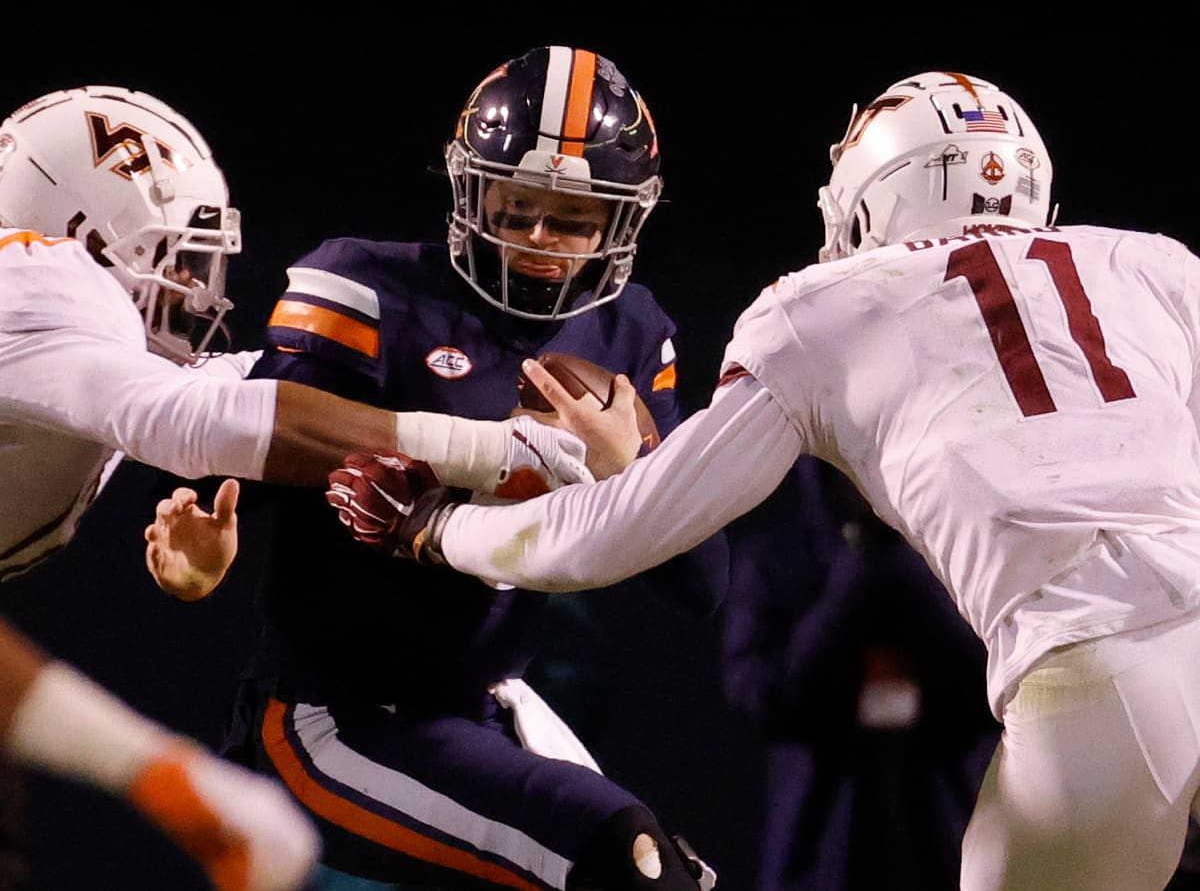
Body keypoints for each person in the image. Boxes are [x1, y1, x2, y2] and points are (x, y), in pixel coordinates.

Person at [329, 69, 1200, 890]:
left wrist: (435, 527)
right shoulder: (1157, 265)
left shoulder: (822, 311)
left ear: (873, 194)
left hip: (1098, 661)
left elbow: (617, 530)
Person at [0, 84, 598, 890]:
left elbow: (234, 386)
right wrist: (489, 447)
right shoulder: (38, 284)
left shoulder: (54, 347)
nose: (200, 289)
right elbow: (192, 416)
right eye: (178, 259)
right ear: (85, 237)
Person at [214, 45, 727, 891]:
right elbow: (246, 452)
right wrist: (203, 552)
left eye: (570, 220)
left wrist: (628, 466)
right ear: (471, 189)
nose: (536, 239)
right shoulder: (366, 291)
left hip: (484, 710)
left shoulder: (628, 334)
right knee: (620, 858)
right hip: (328, 715)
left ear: (621, 222)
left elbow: (705, 581)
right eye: (517, 205)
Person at [720, 455, 997, 890]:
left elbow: (1004, 680)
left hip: (952, 830)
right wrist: (850, 585)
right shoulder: (777, 558)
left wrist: (911, 570)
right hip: (821, 841)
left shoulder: (964, 551)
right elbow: (757, 694)